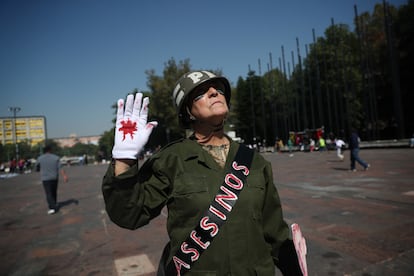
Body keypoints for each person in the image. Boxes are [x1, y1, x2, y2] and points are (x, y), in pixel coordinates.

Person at [102, 71, 304, 275]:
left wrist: (294, 267)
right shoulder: (171, 160)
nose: (213, 92)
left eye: (218, 89)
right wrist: (124, 158)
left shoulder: (255, 162)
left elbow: (275, 230)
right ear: (188, 111)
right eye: (200, 93)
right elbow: (129, 215)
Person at [36, 145, 68, 214]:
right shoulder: (56, 158)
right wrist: (64, 176)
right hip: (54, 178)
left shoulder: (40, 158)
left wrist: (40, 169)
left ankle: (52, 207)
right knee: (54, 191)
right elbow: (60, 168)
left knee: (48, 193)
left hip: (45, 178)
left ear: (44, 151)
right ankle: (54, 203)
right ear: (50, 150)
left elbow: (36, 168)